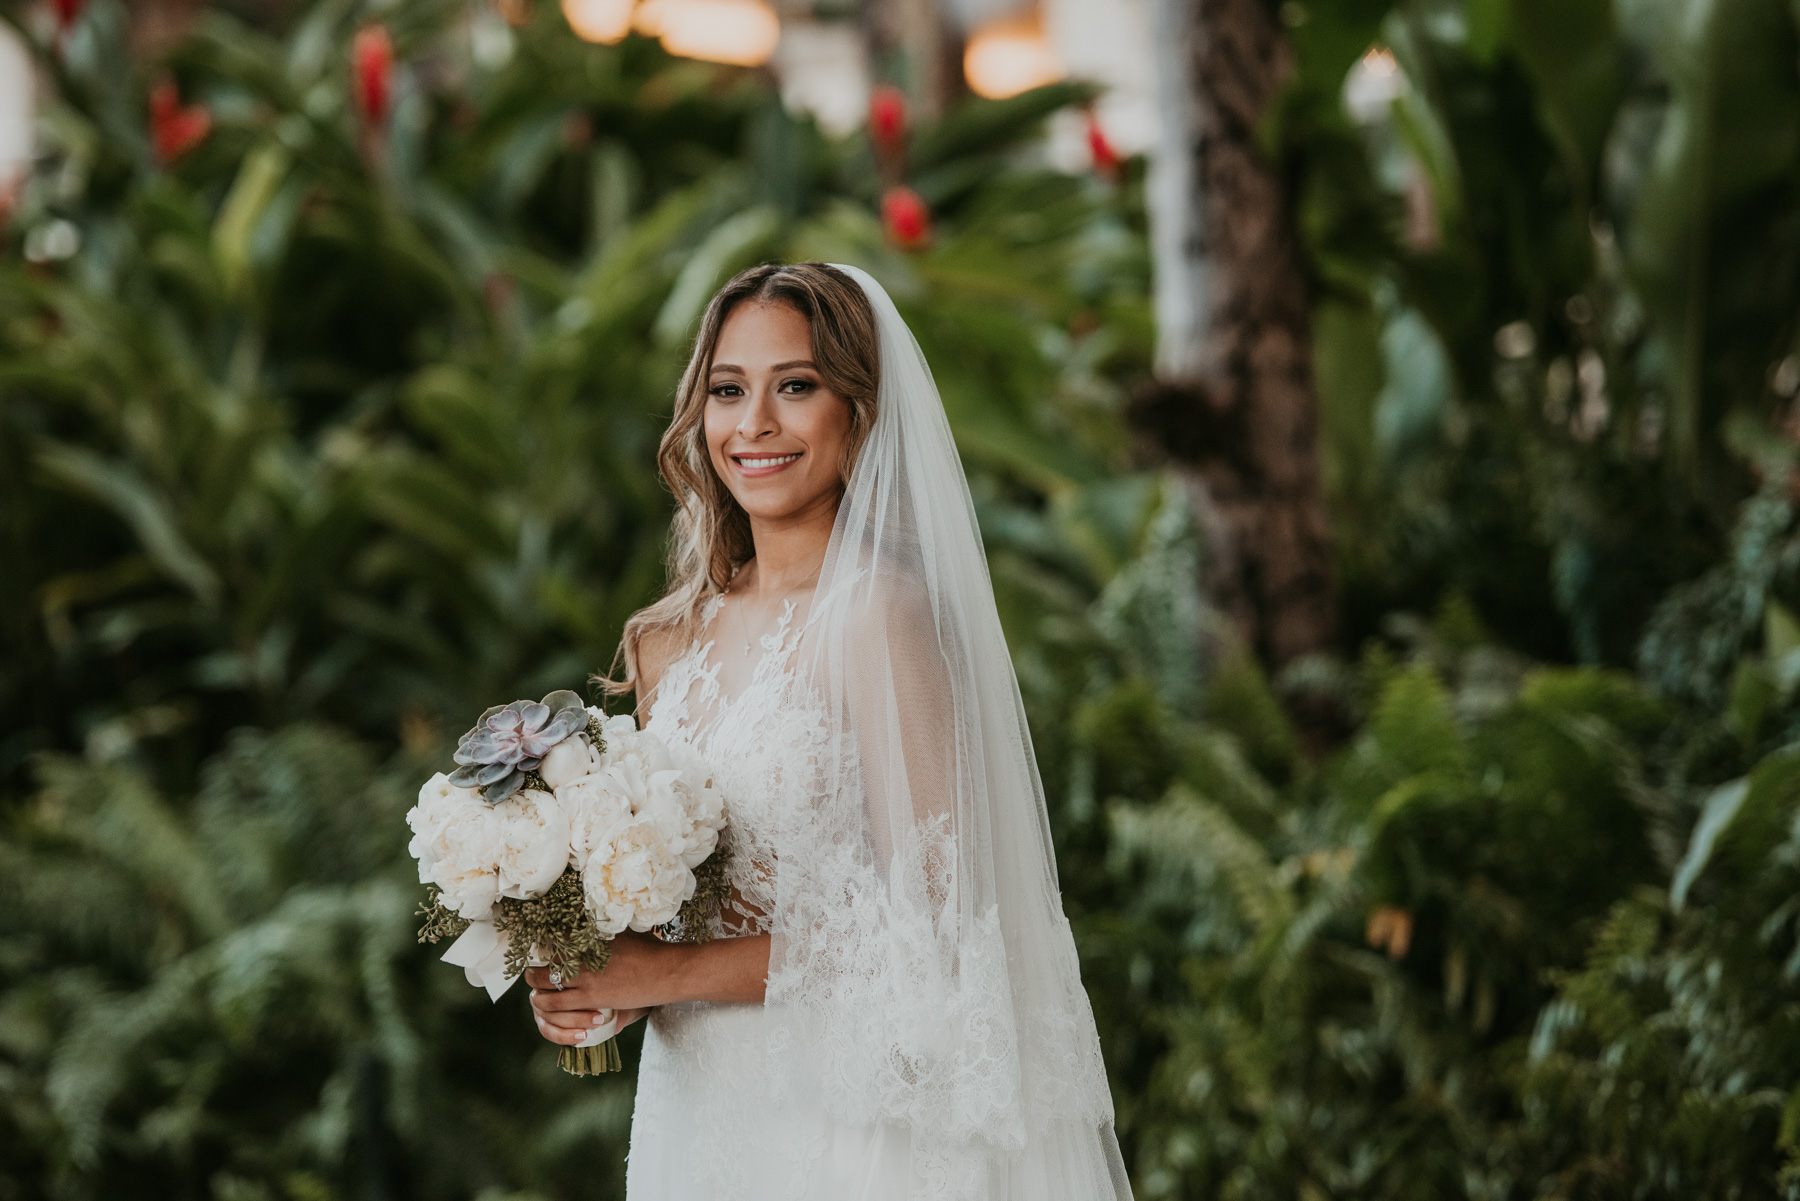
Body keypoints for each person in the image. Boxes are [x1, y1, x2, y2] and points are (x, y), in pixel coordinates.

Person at [522, 262, 1132, 1200]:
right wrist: (602, 987)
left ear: (860, 411)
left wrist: (664, 971)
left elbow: (933, 939)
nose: (754, 423)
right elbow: (676, 921)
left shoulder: (881, 617)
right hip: (699, 1118)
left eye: (794, 386)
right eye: (728, 390)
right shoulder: (664, 641)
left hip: (845, 1135)